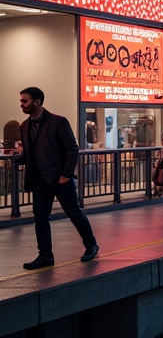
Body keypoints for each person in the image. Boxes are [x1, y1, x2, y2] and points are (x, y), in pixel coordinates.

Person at [16, 87, 100, 268]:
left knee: (73, 212)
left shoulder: (58, 122)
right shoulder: (24, 126)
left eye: (25, 101)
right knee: (40, 217)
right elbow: (30, 153)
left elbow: (72, 149)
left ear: (37, 102)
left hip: (60, 178)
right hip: (39, 180)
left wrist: (66, 175)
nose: (21, 104)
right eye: (21, 101)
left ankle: (91, 245)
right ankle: (45, 255)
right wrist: (18, 156)